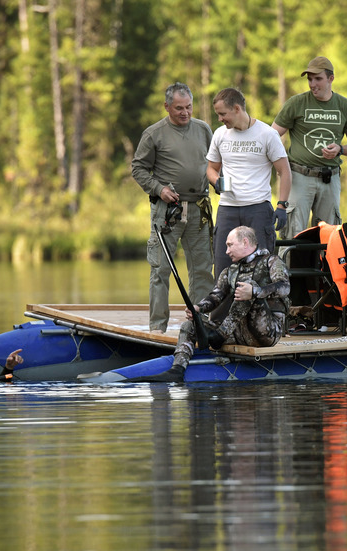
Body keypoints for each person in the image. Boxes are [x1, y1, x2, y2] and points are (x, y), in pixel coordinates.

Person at [152, 226, 290, 382]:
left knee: (247, 285)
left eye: (230, 245)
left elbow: (285, 287)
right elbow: (215, 296)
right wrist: (198, 308)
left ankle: (219, 335)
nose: (226, 251)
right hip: (238, 332)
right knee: (189, 326)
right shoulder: (230, 270)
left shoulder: (272, 261)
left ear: (245, 242)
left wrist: (255, 291)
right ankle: (177, 369)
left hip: (267, 333)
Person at [132, 82, 216, 333]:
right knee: (161, 269)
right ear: (166, 106)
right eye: (179, 108)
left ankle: (200, 324)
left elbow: (215, 163)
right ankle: (158, 328)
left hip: (200, 209)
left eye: (189, 107)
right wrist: (159, 189)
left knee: (202, 269)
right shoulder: (153, 133)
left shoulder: (203, 129)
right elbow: (138, 168)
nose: (185, 112)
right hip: (168, 211)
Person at [272, 56, 347, 239]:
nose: (312, 84)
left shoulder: (345, 106)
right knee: (294, 234)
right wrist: (278, 166)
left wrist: (340, 149)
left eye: (318, 79)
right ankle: (290, 268)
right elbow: (271, 136)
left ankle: (326, 268)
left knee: (330, 236)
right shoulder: (296, 103)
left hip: (330, 178)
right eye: (309, 79)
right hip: (299, 177)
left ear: (331, 79)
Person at [206, 87, 292, 279]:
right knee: (222, 267)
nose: (220, 119)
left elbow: (284, 171)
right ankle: (221, 310)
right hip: (228, 209)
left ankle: (262, 310)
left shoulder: (267, 134)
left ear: (237, 108)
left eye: (222, 114)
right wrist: (216, 182)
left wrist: (282, 206)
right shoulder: (220, 135)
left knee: (261, 269)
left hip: (258, 210)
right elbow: (211, 169)